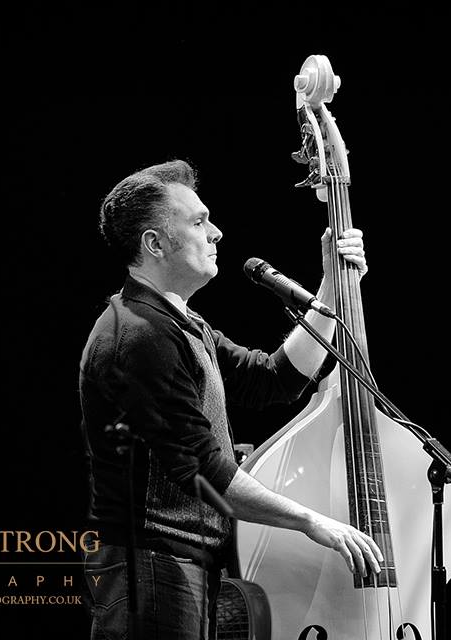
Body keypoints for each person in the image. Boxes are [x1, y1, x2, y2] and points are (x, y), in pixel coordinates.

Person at [79, 159, 382, 640]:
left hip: (180, 567)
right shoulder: (138, 335)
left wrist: (332, 283)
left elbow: (273, 380)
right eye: (198, 222)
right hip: (151, 568)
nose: (216, 232)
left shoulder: (181, 324)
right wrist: (309, 520)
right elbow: (205, 470)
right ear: (154, 243)